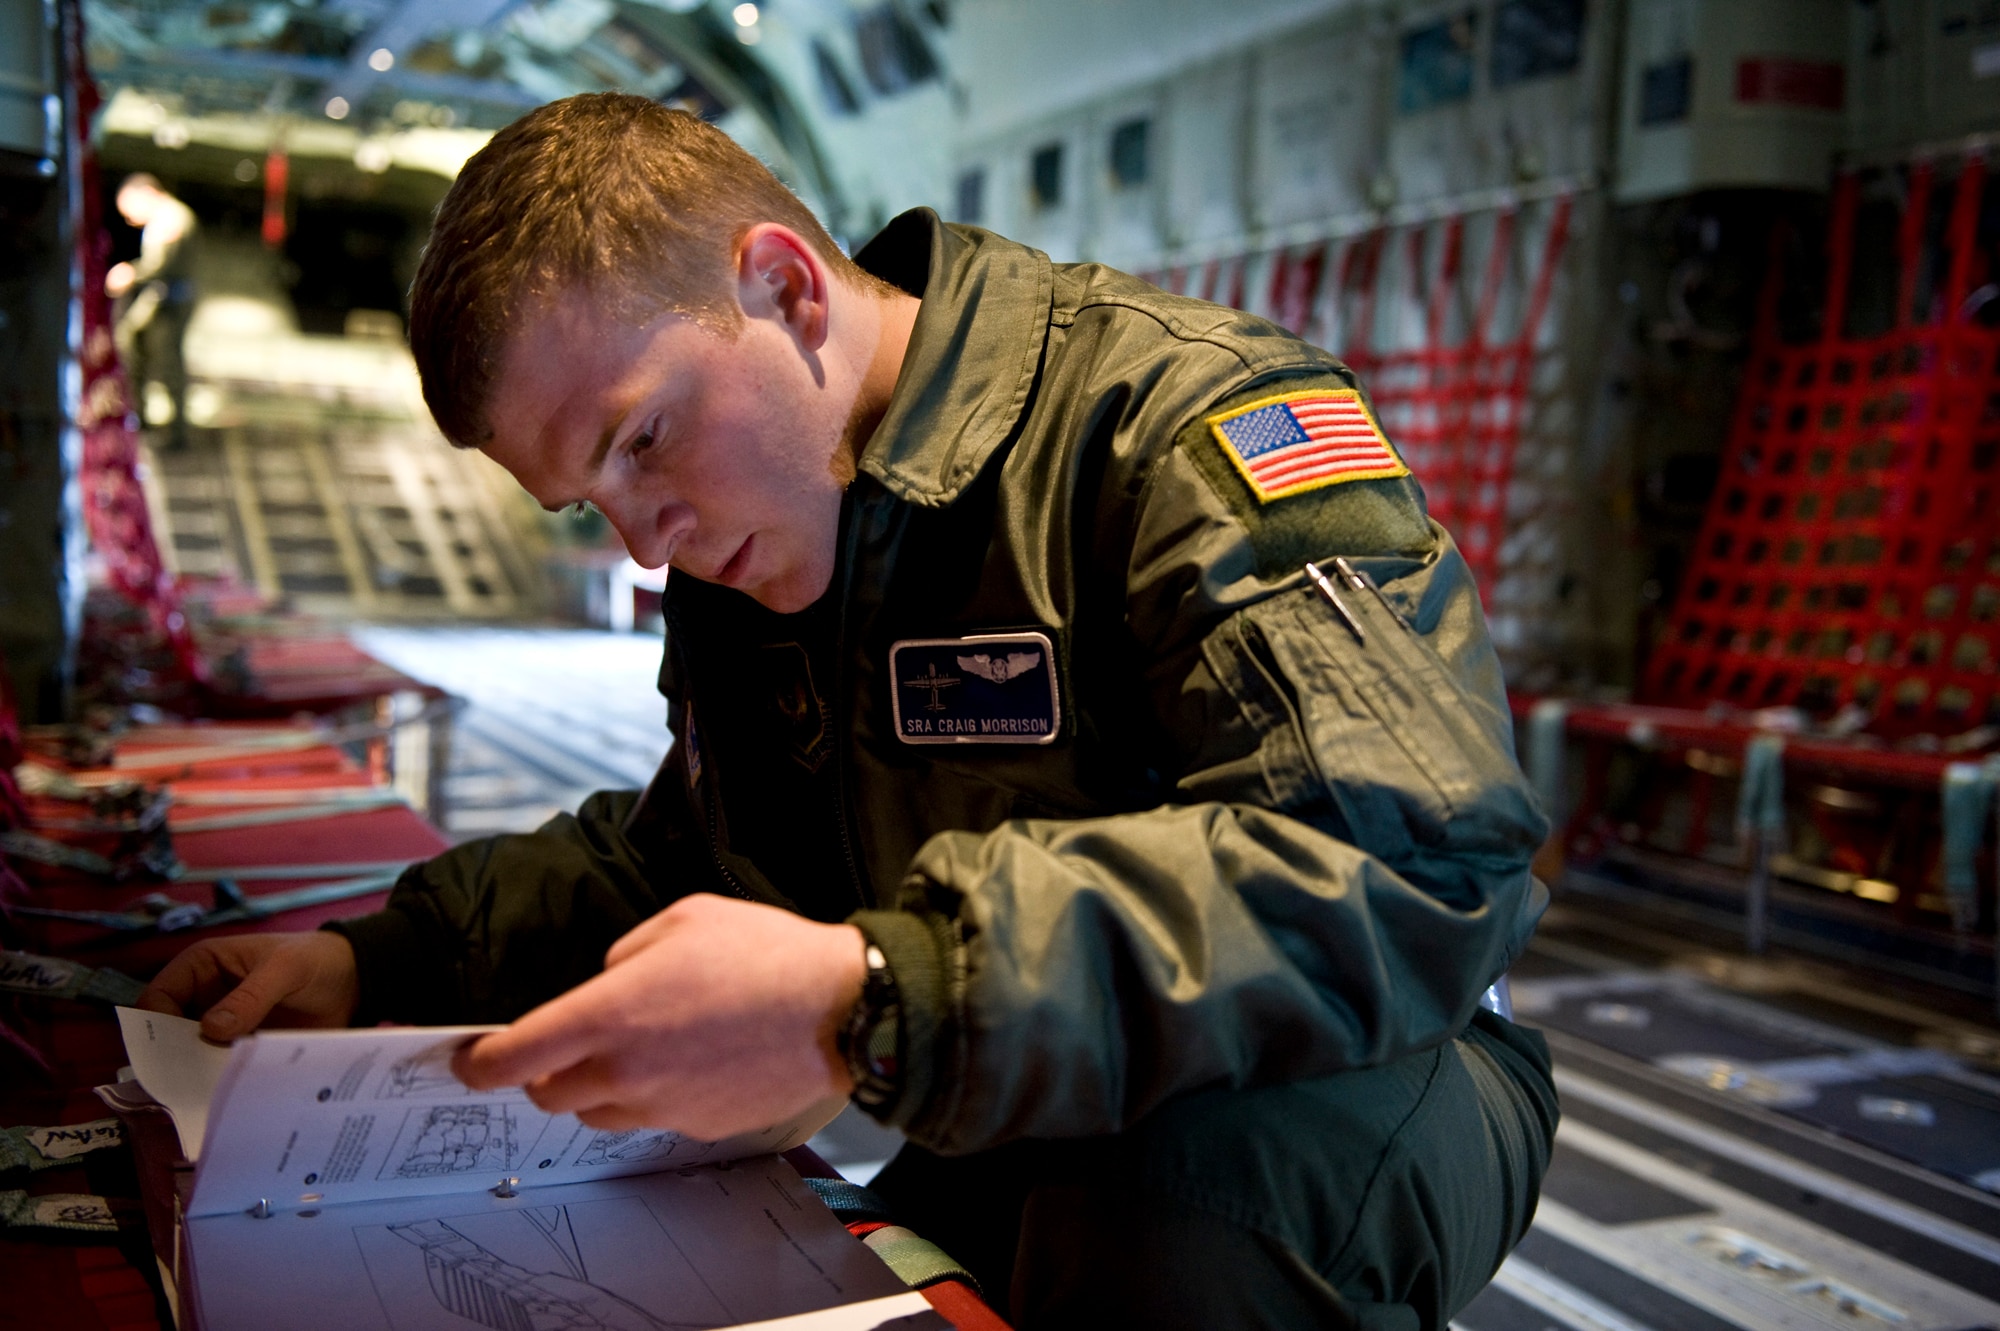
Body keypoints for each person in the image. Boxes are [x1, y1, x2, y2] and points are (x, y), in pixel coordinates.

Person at [140, 94, 1556, 1329]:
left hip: (1371, 1063)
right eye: (596, 500)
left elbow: (1415, 858)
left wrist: (881, 991)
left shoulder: (1174, 421)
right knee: (860, 1259)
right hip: (1025, 1075)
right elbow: (694, 857)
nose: (647, 544)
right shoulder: (760, 521)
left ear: (786, 287)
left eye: (644, 439)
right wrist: (380, 959)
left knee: (1172, 1220)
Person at [105, 174, 200, 450]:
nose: (130, 220)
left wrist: (130, 274)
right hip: (159, 297)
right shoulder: (165, 218)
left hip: (171, 301)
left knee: (169, 363)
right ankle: (139, 417)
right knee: (131, 344)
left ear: (146, 193)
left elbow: (159, 264)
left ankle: (176, 434)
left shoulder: (173, 219)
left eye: (130, 210)